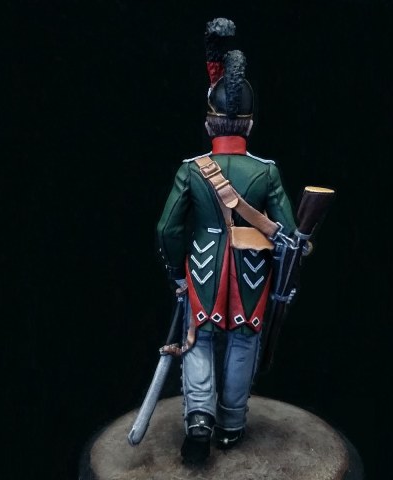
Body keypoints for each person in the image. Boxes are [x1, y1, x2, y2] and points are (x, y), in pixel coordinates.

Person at [156, 18, 297, 464]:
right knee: (244, 339)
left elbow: (167, 229)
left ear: (209, 123)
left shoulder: (191, 169)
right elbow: (287, 234)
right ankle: (232, 424)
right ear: (249, 125)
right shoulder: (267, 172)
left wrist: (178, 273)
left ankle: (199, 418)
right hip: (252, 272)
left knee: (197, 336)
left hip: (202, 266)